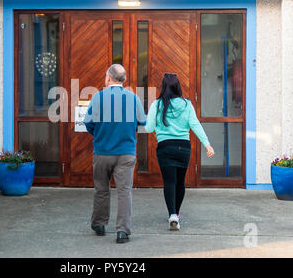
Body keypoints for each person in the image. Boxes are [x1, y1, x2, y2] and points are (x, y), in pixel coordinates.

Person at [84, 64, 146, 244]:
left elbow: (88, 123)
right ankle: (122, 231)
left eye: (105, 75)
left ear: (109, 78)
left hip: (102, 151)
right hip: (126, 152)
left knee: (101, 189)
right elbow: (142, 122)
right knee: (124, 191)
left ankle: (99, 225)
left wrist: (100, 133)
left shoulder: (98, 97)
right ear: (123, 79)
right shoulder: (133, 98)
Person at [145, 73, 215, 231]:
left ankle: (172, 215)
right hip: (183, 148)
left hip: (165, 147)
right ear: (178, 87)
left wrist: (157, 124)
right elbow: (195, 124)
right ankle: (176, 213)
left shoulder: (157, 105)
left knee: (169, 182)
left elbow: (149, 128)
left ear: (163, 87)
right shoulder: (186, 104)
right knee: (180, 182)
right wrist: (207, 144)